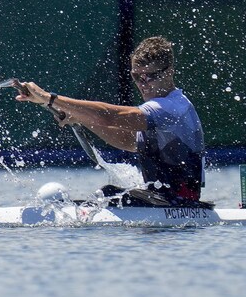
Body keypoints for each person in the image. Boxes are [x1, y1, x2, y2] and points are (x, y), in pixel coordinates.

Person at [12, 36, 207, 207]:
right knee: (104, 196)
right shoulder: (166, 107)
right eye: (136, 76)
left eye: (150, 76)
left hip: (178, 203)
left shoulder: (170, 107)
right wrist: (80, 118)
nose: (142, 83)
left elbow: (107, 116)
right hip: (166, 200)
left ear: (170, 71)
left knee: (107, 194)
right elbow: (127, 142)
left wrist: (49, 98)